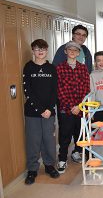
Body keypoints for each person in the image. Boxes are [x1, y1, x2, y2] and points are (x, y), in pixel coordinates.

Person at [23, 39, 59, 185]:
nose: (40, 51)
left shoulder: (51, 68)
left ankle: (49, 165)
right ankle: (32, 170)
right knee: (33, 141)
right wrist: (40, 110)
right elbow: (28, 91)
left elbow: (55, 91)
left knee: (49, 140)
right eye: (37, 49)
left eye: (43, 48)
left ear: (47, 50)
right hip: (32, 112)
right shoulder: (28, 67)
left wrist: (49, 109)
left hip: (49, 113)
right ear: (33, 50)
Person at [56, 41, 90, 174]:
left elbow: (86, 89)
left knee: (80, 134)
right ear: (65, 51)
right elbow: (60, 91)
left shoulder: (83, 68)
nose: (72, 52)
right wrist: (72, 107)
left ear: (78, 53)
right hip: (66, 109)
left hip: (81, 109)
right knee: (65, 136)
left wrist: (80, 106)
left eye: (75, 50)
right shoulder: (59, 68)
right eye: (70, 49)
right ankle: (62, 160)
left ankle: (80, 154)